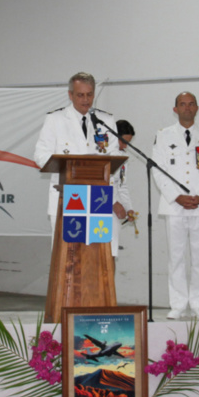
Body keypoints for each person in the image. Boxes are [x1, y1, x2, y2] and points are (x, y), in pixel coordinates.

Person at [151, 92, 199, 320]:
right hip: (174, 206)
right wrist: (177, 196)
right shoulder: (163, 136)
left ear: (197, 108)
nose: (187, 108)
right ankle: (178, 305)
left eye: (191, 104)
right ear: (175, 109)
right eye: (182, 104)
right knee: (176, 258)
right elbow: (157, 170)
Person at [33, 72, 118, 228]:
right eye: (80, 95)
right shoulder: (55, 119)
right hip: (66, 196)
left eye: (89, 95)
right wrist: (68, 167)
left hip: (98, 198)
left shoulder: (106, 120)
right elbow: (40, 155)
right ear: (70, 95)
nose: (85, 100)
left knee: (95, 250)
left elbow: (114, 158)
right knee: (66, 251)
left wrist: (114, 198)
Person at [112, 119, 137, 258]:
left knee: (112, 251)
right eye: (122, 141)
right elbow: (101, 181)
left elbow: (122, 184)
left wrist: (128, 208)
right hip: (100, 204)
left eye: (127, 143)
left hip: (114, 209)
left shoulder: (123, 157)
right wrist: (114, 202)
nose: (124, 146)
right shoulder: (101, 152)